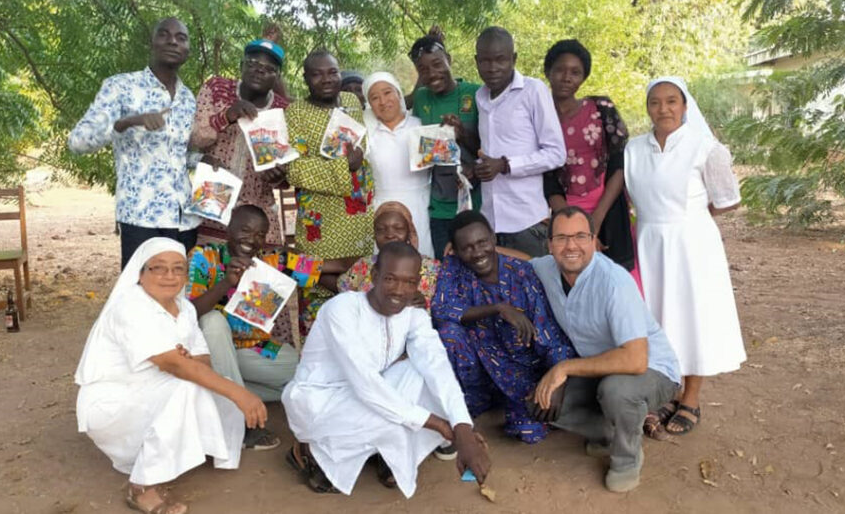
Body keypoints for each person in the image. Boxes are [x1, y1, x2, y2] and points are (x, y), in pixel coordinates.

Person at [282, 242, 492, 497]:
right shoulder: (342, 309)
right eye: (391, 279)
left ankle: (384, 450)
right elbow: (366, 385)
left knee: (422, 377)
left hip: (365, 395)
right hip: (319, 403)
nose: (399, 291)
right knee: (399, 415)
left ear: (417, 284)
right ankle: (308, 451)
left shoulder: (413, 315)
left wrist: (463, 427)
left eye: (409, 282)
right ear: (374, 277)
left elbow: (437, 367)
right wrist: (442, 427)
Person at [75, 237, 266, 514]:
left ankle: (179, 451)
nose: (169, 276)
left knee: (207, 388)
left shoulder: (185, 308)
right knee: (192, 387)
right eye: (158, 268)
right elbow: (174, 365)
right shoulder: (130, 305)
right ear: (141, 274)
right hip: (112, 404)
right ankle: (142, 486)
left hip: (149, 393)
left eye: (178, 269)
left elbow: (201, 358)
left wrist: (186, 362)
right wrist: (240, 393)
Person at [624, 76, 746, 435]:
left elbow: (727, 199)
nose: (663, 109)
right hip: (648, 241)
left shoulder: (704, 147)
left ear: (685, 105)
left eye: (672, 101)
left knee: (692, 318)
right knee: (660, 318)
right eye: (655, 102)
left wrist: (689, 218)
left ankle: (691, 397)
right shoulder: (633, 149)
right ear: (647, 107)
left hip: (692, 244)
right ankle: (666, 391)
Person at [527, 207, 681, 492]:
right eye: (561, 237)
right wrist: (482, 245)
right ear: (549, 245)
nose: (571, 245)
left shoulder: (614, 281)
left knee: (617, 391)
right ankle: (608, 430)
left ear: (593, 240)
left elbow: (636, 360)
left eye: (580, 236)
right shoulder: (548, 267)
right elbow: (520, 262)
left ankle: (627, 458)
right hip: (600, 370)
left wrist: (563, 368)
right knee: (537, 399)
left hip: (654, 371)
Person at [432, 211, 575, 443]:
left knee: (528, 431)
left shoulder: (522, 275)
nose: (477, 252)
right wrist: (498, 308)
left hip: (519, 373)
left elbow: (553, 338)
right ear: (455, 250)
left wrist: (556, 383)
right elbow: (441, 310)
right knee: (448, 334)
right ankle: (472, 402)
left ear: (493, 239)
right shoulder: (453, 268)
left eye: (482, 242)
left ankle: (515, 405)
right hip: (478, 374)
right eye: (467, 247)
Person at [68, 18, 201, 268]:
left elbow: (178, 156)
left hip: (184, 219)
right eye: (164, 34)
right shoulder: (121, 86)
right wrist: (125, 123)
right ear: (152, 42)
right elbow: (77, 142)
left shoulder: (187, 98)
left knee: (178, 298)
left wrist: (206, 161)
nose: (173, 40)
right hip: (141, 217)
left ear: (188, 51)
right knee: (140, 298)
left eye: (181, 38)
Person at [186, 205, 320, 451]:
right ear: (228, 229)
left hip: (252, 350)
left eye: (260, 234)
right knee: (212, 321)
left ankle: (217, 389)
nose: (252, 240)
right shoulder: (204, 256)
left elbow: (321, 271)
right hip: (209, 351)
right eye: (245, 231)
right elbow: (188, 314)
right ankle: (241, 419)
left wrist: (366, 271)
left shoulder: (270, 261)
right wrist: (227, 281)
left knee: (303, 376)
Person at [281, 49, 374, 336]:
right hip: (319, 221)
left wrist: (356, 165)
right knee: (314, 285)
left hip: (359, 216)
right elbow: (294, 169)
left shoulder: (350, 102)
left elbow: (362, 143)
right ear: (306, 79)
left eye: (332, 72)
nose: (326, 79)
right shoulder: (295, 113)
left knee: (362, 293)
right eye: (317, 73)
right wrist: (343, 168)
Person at [541, 39, 642, 292]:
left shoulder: (601, 109)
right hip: (563, 210)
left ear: (583, 78)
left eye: (575, 72)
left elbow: (619, 164)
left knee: (619, 282)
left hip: (606, 208)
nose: (567, 77)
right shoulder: (539, 117)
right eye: (560, 70)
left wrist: (593, 222)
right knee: (574, 284)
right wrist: (573, 227)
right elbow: (547, 176)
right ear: (548, 72)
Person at [473, 26, 566, 258]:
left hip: (527, 222)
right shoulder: (480, 96)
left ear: (514, 59)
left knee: (537, 291)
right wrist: (477, 168)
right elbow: (490, 151)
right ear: (476, 62)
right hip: (490, 223)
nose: (492, 68)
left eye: (500, 60)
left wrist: (505, 165)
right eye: (484, 61)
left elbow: (556, 153)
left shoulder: (533, 91)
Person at [190, 35, 290, 248]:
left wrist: (277, 176)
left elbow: (285, 171)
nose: (259, 70)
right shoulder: (216, 88)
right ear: (241, 65)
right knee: (205, 272)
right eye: (253, 63)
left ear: (277, 76)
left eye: (269, 68)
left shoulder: (284, 111)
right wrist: (226, 116)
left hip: (257, 215)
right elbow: (198, 137)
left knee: (254, 277)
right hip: (212, 204)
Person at [408, 34, 483, 259]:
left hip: (476, 205)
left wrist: (462, 134)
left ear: (449, 59)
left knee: (477, 268)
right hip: (440, 207)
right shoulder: (421, 99)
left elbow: (490, 147)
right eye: (423, 69)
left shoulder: (475, 93)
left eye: (437, 64)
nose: (432, 74)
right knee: (446, 272)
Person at [362, 72, 434, 257]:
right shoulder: (367, 135)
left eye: (387, 93)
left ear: (399, 94)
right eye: (374, 98)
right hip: (383, 211)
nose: (383, 101)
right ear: (370, 105)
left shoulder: (421, 126)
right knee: (387, 265)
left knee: (422, 263)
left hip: (421, 208)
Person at [338, 201, 440, 311]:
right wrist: (316, 268)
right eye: (381, 229)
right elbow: (344, 293)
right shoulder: (364, 264)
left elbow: (445, 308)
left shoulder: (432, 267)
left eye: (398, 228)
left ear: (409, 231)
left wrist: (424, 304)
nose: (390, 235)